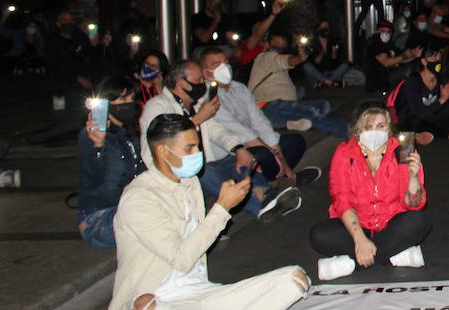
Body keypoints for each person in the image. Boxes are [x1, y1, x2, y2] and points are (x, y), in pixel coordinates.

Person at [103, 113, 311, 310]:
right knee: (145, 309)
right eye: (189, 148)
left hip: (198, 295)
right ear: (163, 151)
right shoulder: (139, 199)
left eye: (197, 146)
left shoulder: (188, 182)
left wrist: (225, 207)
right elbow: (181, 258)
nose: (196, 153)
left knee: (295, 279)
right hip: (160, 307)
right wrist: (222, 208)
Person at [144, 60, 299, 221]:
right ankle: (259, 207)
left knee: (246, 157)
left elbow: (217, 131)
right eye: (198, 81)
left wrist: (238, 149)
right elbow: (157, 143)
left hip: (210, 162)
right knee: (204, 172)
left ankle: (265, 195)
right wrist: (197, 119)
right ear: (181, 82)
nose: (202, 84)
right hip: (180, 171)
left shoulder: (194, 105)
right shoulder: (157, 106)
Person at [310, 104, 433, 279]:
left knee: (419, 221)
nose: (374, 132)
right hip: (358, 225)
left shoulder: (403, 148)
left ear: (389, 127)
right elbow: (341, 199)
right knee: (319, 235)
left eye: (381, 126)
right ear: (359, 130)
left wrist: (413, 177)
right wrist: (359, 239)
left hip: (391, 224)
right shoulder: (345, 153)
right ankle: (391, 255)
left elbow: (415, 205)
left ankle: (352, 264)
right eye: (368, 127)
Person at [197, 46, 318, 187]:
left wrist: (280, 157)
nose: (224, 68)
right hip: (232, 153)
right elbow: (243, 134)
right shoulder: (207, 97)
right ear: (205, 73)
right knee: (261, 154)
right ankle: (286, 177)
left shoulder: (239, 88)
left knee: (295, 141)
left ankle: (275, 178)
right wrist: (277, 157)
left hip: (257, 145)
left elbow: (260, 122)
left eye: (226, 63)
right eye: (217, 65)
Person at [77, 77, 146, 246]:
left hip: (125, 210)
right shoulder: (89, 136)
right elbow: (92, 178)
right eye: (122, 99)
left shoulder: (128, 135)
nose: (129, 103)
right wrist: (98, 146)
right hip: (97, 220)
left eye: (131, 98)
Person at [248, 30, 349, 137]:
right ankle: (347, 130)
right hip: (268, 107)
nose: (280, 46)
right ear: (267, 44)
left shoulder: (275, 64)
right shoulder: (266, 57)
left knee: (323, 105)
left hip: (282, 107)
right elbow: (285, 61)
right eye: (277, 43)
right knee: (309, 112)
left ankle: (288, 123)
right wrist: (299, 58)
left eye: (283, 43)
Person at [393, 44, 449, 141]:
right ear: (424, 61)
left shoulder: (441, 77)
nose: (437, 61)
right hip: (411, 121)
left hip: (431, 119)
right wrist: (442, 99)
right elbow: (417, 113)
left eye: (439, 58)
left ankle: (429, 135)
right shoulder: (413, 81)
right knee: (417, 122)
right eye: (433, 57)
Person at [44, 9, 93, 109]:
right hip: (63, 83)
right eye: (65, 20)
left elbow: (90, 56)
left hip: (83, 83)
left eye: (71, 20)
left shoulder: (80, 36)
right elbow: (55, 65)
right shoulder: (52, 41)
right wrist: (77, 78)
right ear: (58, 23)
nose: (68, 23)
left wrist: (97, 45)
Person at [363, 19, 420, 93]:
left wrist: (414, 56)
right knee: (408, 70)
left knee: (413, 65)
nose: (385, 34)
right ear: (377, 31)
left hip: (388, 77)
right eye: (382, 31)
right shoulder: (375, 44)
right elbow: (386, 62)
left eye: (388, 32)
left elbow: (400, 60)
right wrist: (405, 55)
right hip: (378, 83)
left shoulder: (390, 44)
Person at [302, 20, 351, 87]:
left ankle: (324, 83)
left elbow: (334, 64)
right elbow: (315, 63)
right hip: (317, 73)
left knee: (346, 64)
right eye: (322, 27)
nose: (325, 29)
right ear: (317, 29)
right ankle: (331, 83)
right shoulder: (312, 43)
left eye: (326, 27)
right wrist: (322, 52)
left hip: (331, 72)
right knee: (306, 66)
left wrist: (334, 54)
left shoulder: (333, 41)